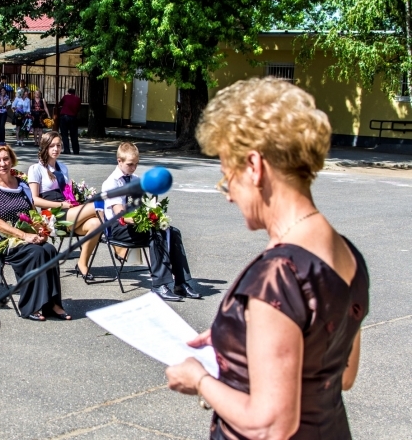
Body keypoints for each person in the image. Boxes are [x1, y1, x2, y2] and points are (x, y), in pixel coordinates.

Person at [166, 78, 369, 440]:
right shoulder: (347, 253)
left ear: (255, 167)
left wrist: (200, 379)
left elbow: (271, 424)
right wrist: (243, 338)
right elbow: (344, 373)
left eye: (227, 176)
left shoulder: (279, 274)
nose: (228, 195)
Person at [0, 144, 70, 321]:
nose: (3, 163)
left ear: (12, 160)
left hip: (27, 236)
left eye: (6, 159)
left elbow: (32, 213)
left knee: (49, 250)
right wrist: (24, 235)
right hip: (3, 240)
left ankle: (52, 303)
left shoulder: (21, 184)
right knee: (35, 253)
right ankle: (31, 306)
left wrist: (41, 229)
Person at [101, 142, 199, 301]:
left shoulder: (136, 179)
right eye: (130, 164)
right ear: (119, 161)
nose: (133, 168)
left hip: (136, 223)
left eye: (136, 164)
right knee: (156, 233)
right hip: (118, 227)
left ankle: (181, 282)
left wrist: (153, 214)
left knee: (173, 232)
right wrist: (145, 220)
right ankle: (160, 285)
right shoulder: (112, 182)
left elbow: (141, 205)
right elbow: (121, 215)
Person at [28, 132, 101, 279]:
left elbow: (68, 193)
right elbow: (34, 200)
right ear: (45, 147)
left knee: (96, 223)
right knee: (98, 205)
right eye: (52, 145)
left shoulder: (63, 167)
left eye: (59, 145)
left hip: (68, 211)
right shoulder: (36, 169)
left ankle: (82, 263)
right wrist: (60, 204)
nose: (56, 149)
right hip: (52, 215)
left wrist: (74, 202)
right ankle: (118, 244)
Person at [58, 88, 81, 154]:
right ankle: (76, 150)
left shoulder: (66, 97)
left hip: (64, 117)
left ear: (68, 92)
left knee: (64, 134)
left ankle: (67, 150)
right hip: (73, 117)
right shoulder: (78, 99)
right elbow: (79, 108)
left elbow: (60, 103)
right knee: (74, 135)